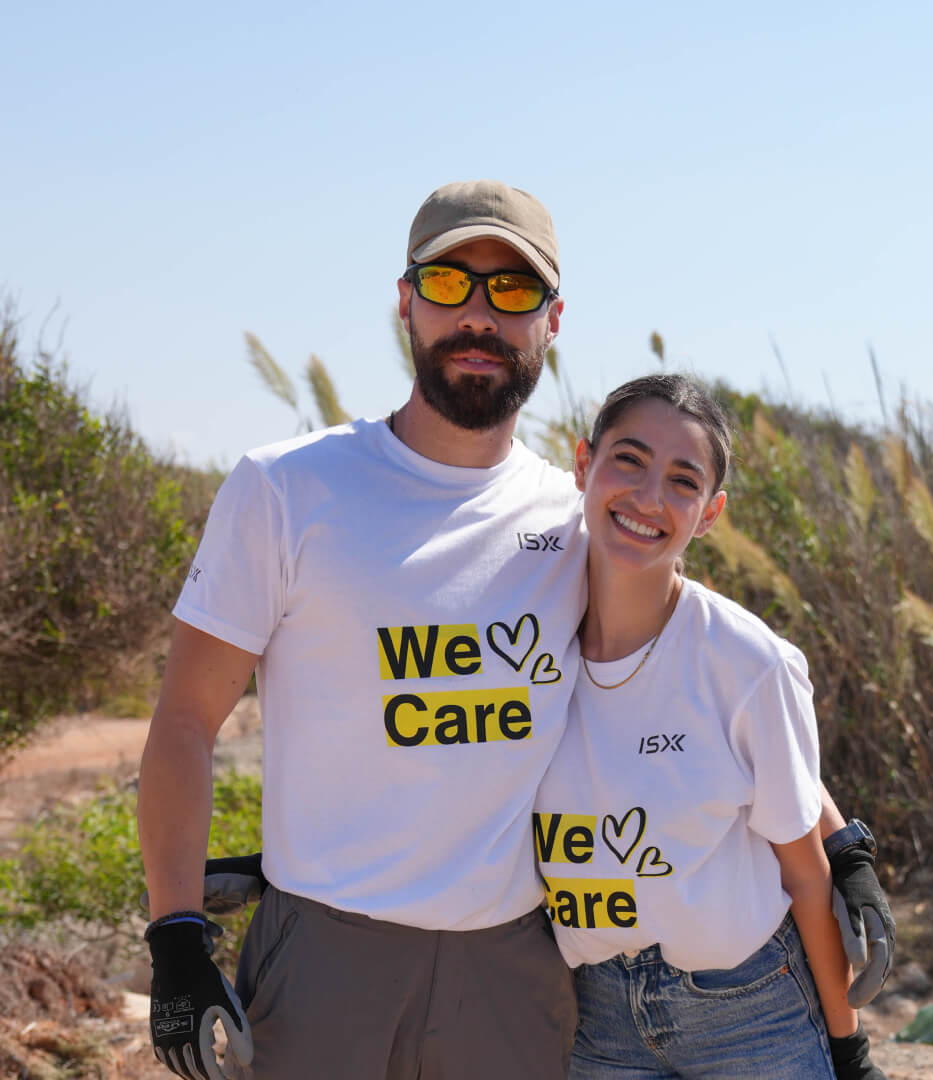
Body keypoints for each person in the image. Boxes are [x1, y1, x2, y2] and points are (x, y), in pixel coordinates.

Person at [137, 180, 892, 1080]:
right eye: (452, 284)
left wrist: (838, 842)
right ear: (407, 302)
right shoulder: (287, 489)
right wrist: (178, 935)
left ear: (552, 320)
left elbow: (716, 678)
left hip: (513, 969)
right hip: (326, 960)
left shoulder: (579, 517)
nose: (480, 316)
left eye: (513, 292)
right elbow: (184, 723)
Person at [533, 373, 886, 1078]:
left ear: (711, 511)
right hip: (594, 1015)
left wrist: (850, 1050)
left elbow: (807, 879)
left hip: (751, 1009)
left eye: (683, 480)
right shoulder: (522, 635)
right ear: (582, 463)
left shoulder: (747, 662)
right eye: (628, 460)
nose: (648, 497)